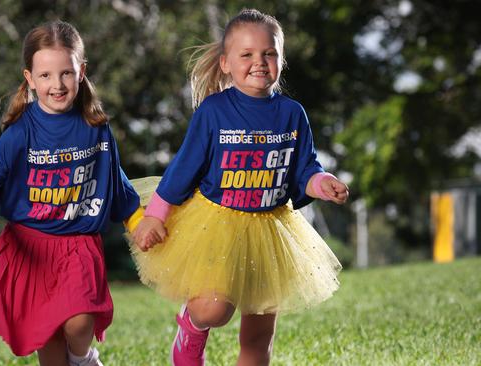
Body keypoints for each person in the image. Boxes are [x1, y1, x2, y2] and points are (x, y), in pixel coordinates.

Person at [131, 8, 349, 366]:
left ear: (281, 59)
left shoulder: (293, 113)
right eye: (246, 54)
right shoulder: (214, 111)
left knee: (259, 334)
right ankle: (191, 328)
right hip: (216, 224)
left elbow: (304, 168)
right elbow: (183, 170)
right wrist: (155, 216)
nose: (259, 62)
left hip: (272, 229)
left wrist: (323, 183)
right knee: (214, 310)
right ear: (226, 63)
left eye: (269, 53)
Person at [0, 20, 143, 366]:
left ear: (81, 72)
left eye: (66, 74)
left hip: (78, 244)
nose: (57, 85)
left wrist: (139, 223)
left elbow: (116, 186)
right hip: (31, 250)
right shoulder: (20, 133)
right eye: (45, 76)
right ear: (29, 78)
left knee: (79, 321)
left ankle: (85, 358)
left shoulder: (97, 129)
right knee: (49, 343)